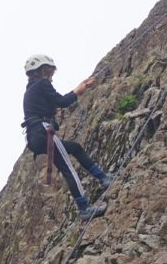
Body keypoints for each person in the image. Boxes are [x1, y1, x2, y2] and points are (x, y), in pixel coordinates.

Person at [21, 53, 113, 222]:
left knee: (74, 148)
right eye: (49, 72)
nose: (51, 76)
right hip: (43, 131)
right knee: (68, 168)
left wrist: (81, 87)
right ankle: (84, 208)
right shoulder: (41, 84)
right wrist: (79, 89)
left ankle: (103, 177)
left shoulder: (31, 89)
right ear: (42, 71)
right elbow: (62, 101)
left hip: (35, 136)